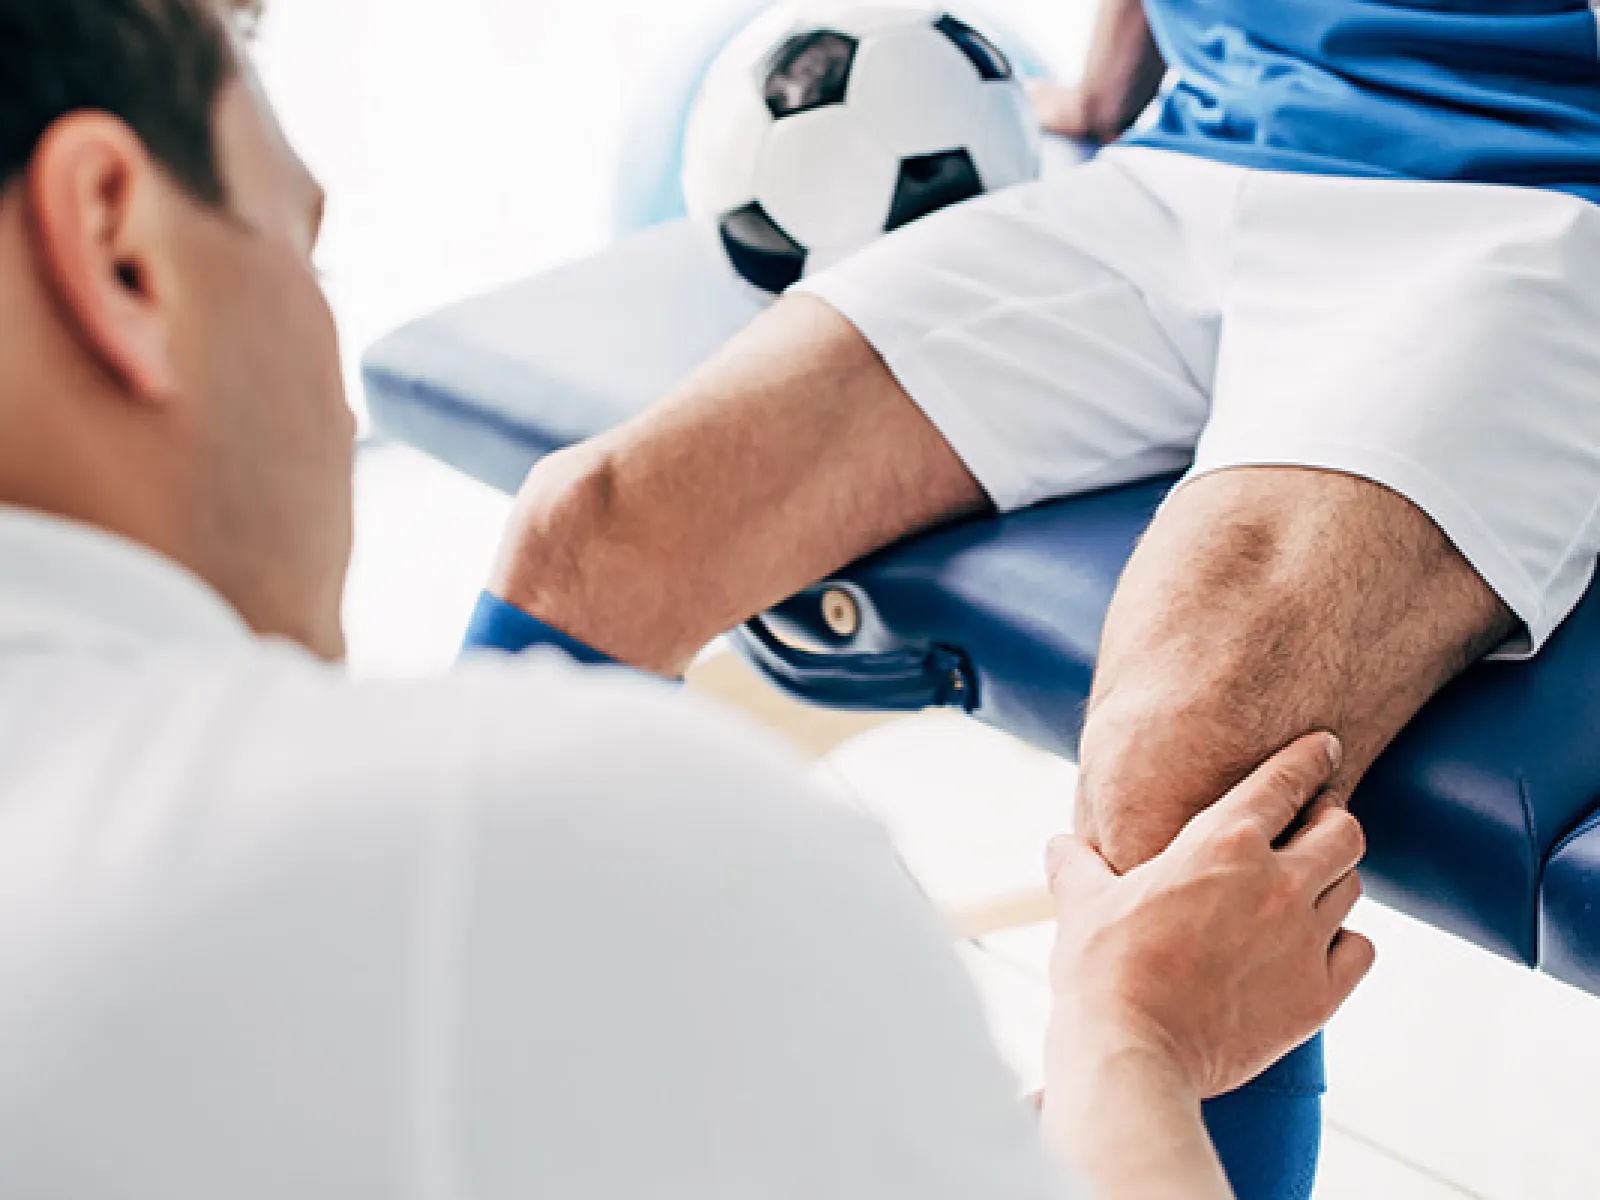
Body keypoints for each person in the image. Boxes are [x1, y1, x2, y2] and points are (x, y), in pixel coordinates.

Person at [0, 1, 1375, 1197]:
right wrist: (1130, 1042)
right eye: (306, 258)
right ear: (119, 250)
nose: (329, 376)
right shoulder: (582, 835)